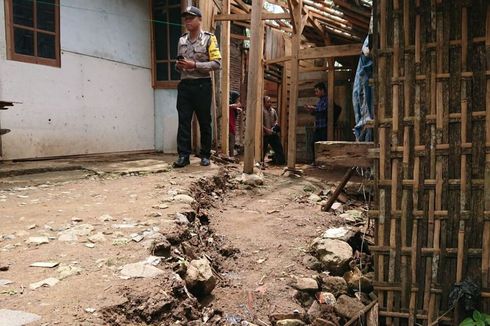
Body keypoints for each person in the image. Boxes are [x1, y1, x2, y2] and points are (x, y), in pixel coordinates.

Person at [173, 6, 222, 168]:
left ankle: (205, 155)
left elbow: (216, 64)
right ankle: (183, 156)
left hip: (202, 85)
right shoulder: (181, 40)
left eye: (191, 18)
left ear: (199, 20)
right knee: (183, 121)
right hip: (185, 85)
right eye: (185, 18)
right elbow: (177, 64)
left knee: (204, 121)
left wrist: (194, 64)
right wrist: (179, 66)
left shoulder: (209, 39)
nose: (187, 21)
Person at [305, 82, 328, 164]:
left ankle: (323, 162)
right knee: (313, 143)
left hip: (324, 126)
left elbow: (323, 110)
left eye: (317, 91)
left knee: (323, 145)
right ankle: (316, 161)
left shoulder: (326, 100)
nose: (316, 93)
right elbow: (317, 112)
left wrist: (314, 108)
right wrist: (311, 111)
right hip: (318, 126)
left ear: (322, 90)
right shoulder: (320, 101)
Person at [262, 96, 285, 165]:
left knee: (279, 148)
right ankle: (261, 163)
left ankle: (280, 162)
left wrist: (274, 127)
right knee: (262, 150)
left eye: (270, 102)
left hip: (273, 133)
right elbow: (259, 123)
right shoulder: (261, 111)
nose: (270, 103)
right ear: (264, 103)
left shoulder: (273, 110)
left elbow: (276, 120)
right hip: (264, 134)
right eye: (268, 102)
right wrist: (266, 130)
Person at [229, 91, 242, 158]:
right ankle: (231, 157)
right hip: (230, 127)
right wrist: (237, 106)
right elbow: (235, 105)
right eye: (237, 99)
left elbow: (238, 105)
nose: (238, 100)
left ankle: (231, 156)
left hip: (232, 126)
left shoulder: (232, 107)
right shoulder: (229, 106)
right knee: (231, 143)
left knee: (232, 143)